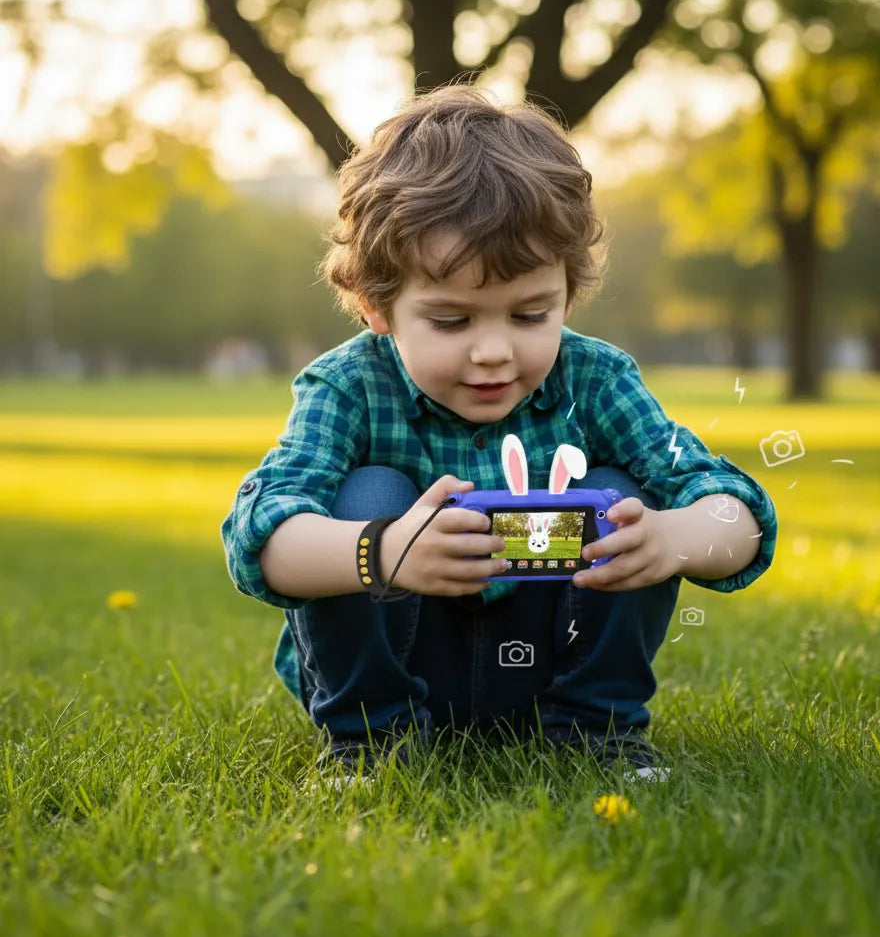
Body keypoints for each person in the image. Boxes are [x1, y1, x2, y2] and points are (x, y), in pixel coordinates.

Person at [221, 84, 778, 784]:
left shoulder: (595, 379)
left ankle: (596, 733)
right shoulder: (349, 387)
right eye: (452, 321)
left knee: (621, 492)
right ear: (374, 304)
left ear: (568, 294)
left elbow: (737, 510)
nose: (494, 351)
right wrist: (383, 553)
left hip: (546, 659)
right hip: (405, 660)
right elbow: (261, 537)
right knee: (368, 492)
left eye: (529, 315)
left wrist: (673, 537)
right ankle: (369, 744)